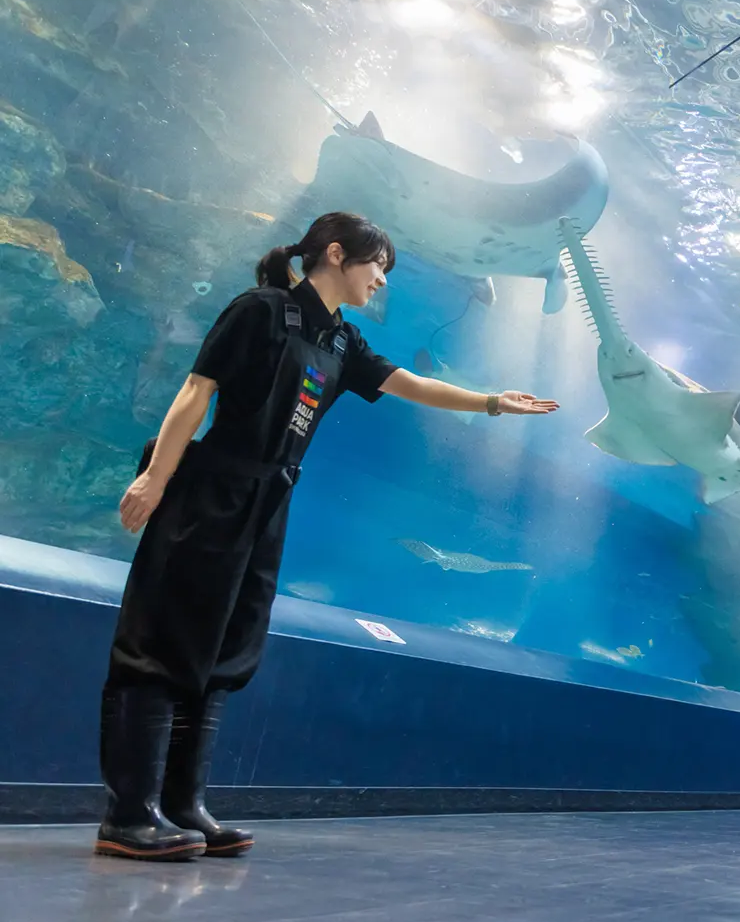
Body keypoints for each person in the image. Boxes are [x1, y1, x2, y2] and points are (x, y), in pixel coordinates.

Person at [97, 212, 559, 862]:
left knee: (225, 652)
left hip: (268, 504)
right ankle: (129, 813)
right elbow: (196, 394)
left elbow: (410, 385)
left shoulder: (342, 343)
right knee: (162, 646)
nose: (381, 281)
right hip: (210, 492)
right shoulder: (259, 311)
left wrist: (491, 402)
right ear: (336, 255)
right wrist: (154, 478)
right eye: (377, 268)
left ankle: (181, 805)